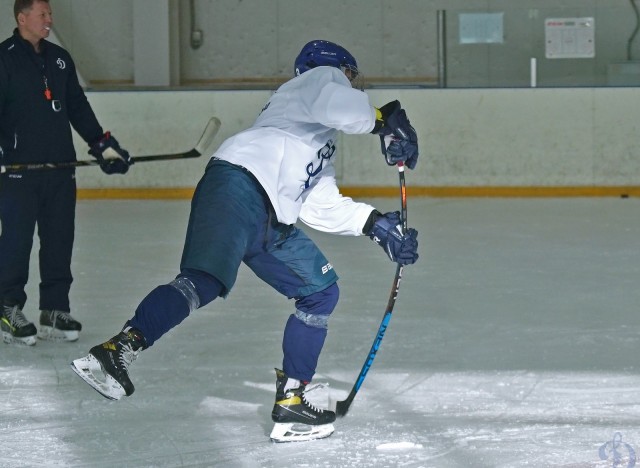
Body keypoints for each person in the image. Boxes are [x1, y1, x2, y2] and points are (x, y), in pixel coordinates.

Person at [71, 39, 419, 442]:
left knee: (320, 291)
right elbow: (342, 106)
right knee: (203, 281)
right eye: (350, 75)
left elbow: (318, 202)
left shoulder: (316, 133)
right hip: (238, 185)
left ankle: (292, 402)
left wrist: (375, 224)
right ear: (332, 68)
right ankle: (116, 351)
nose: (354, 84)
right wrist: (384, 119)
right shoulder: (316, 82)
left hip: (271, 215)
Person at [0, 0, 132, 346]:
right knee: (16, 243)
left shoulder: (60, 58)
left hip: (60, 169)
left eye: (50, 14)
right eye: (42, 14)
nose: (49, 19)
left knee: (59, 240)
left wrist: (103, 145)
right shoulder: (4, 58)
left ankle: (54, 310)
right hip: (17, 173)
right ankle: (8, 306)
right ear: (22, 17)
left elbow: (77, 106)